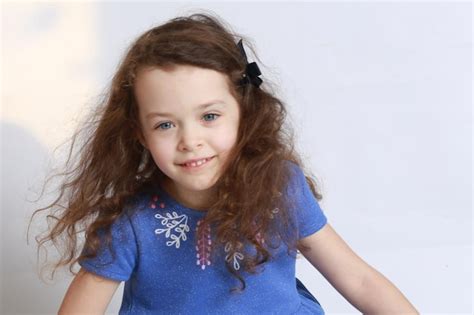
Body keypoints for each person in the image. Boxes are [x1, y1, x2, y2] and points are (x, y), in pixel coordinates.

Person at [31, 11, 418, 314]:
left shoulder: (279, 186)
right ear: (139, 134)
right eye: (165, 124)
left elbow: (359, 281)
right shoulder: (133, 222)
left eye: (209, 116)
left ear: (244, 112)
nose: (190, 141)